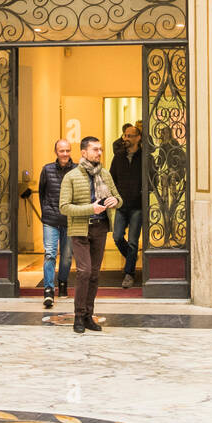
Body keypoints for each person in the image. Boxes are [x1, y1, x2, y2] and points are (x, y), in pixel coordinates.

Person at [59, 136, 121, 334]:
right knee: (84, 272)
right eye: (95, 149)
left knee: (94, 274)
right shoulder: (71, 176)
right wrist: (90, 209)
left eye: (100, 149)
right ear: (84, 153)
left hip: (100, 228)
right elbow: (64, 207)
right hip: (80, 229)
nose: (99, 152)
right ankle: (78, 315)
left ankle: (88, 316)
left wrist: (115, 202)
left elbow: (118, 197)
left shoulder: (105, 174)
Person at [37, 139, 74, 310]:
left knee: (66, 257)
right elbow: (42, 193)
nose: (65, 154)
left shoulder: (76, 170)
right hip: (51, 220)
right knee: (50, 254)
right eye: (61, 151)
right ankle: (48, 290)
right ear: (56, 152)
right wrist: (46, 211)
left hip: (69, 220)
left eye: (67, 150)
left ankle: (63, 282)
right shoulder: (47, 169)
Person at [110, 124, 143, 288]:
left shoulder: (144, 156)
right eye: (125, 135)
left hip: (138, 205)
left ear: (138, 138)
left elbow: (152, 177)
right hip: (121, 205)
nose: (126, 139)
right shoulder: (118, 156)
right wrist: (114, 197)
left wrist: (143, 193)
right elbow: (112, 178)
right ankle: (132, 257)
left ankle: (129, 273)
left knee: (133, 241)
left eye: (130, 136)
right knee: (116, 237)